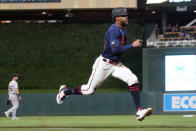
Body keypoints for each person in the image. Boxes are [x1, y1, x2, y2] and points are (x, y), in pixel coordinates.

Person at [56, 7, 152, 121]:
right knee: (89, 91)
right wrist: (132, 45)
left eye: (126, 15)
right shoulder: (114, 30)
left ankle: (139, 111)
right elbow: (115, 50)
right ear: (117, 18)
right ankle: (64, 92)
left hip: (115, 64)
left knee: (133, 79)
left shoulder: (122, 30)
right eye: (123, 15)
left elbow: (113, 50)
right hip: (104, 64)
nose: (126, 17)